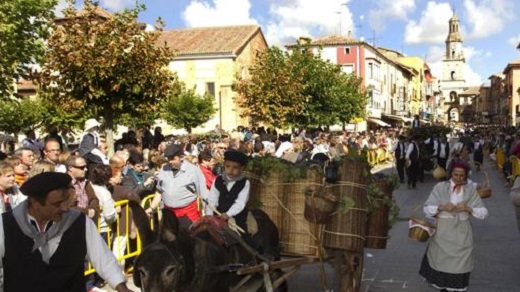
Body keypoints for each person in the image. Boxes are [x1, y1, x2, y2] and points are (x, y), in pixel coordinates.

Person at [0, 172, 132, 291]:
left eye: (65, 201)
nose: (64, 208)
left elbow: (103, 258)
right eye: (56, 204)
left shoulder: (79, 222)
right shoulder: (5, 226)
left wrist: (122, 288)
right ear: (35, 203)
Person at [419, 158, 488, 292]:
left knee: (460, 266)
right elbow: (426, 208)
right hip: (442, 234)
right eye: (455, 175)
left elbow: (484, 212)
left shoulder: (470, 190)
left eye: (462, 175)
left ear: (466, 175)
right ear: (451, 173)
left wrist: (469, 208)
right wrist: (441, 207)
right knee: (441, 265)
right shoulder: (440, 187)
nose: (458, 178)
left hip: (462, 235)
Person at [155, 144, 208, 222]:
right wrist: (151, 208)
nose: (170, 161)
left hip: (187, 214)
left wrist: (207, 215)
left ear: (181, 157)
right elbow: (159, 191)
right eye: (168, 158)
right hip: (168, 214)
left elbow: (203, 193)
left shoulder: (193, 170)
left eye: (173, 159)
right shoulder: (164, 169)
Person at [205, 150, 250, 236]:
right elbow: (212, 199)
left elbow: (240, 203)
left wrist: (228, 214)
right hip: (217, 216)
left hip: (236, 217)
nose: (230, 170)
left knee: (244, 239)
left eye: (235, 167)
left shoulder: (245, 183)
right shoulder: (218, 180)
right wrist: (209, 215)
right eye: (227, 166)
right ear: (224, 166)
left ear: (242, 168)